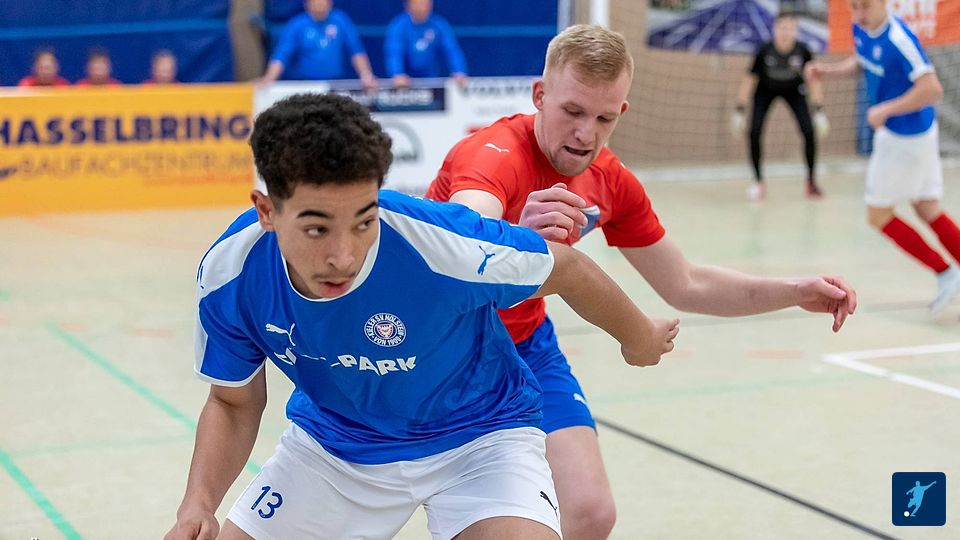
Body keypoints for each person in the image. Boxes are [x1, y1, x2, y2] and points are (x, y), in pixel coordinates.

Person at [164, 92, 681, 540]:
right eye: (317, 228)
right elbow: (232, 403)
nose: (344, 255)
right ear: (267, 210)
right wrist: (198, 502)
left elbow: (567, 267)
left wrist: (639, 337)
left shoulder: (437, 243)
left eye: (363, 221)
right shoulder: (230, 274)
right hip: (336, 449)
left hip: (480, 440)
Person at [426, 24, 857, 540]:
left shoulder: (609, 179)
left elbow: (686, 283)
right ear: (540, 96)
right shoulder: (492, 155)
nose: (585, 134)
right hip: (438, 348)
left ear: (621, 113)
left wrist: (795, 291)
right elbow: (460, 252)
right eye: (573, 111)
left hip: (526, 346)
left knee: (591, 513)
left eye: (604, 118)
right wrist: (514, 241)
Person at [809, 0, 960, 314]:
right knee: (927, 207)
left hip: (905, 138)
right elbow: (863, 60)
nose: (859, 15)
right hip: (916, 133)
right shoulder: (862, 28)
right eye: (854, 8)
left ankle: (946, 272)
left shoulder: (899, 40)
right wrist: (829, 72)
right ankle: (949, 273)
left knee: (878, 215)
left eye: (864, 7)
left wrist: (886, 109)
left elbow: (932, 89)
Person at [731, 11, 829, 201]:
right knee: (754, 131)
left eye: (789, 28)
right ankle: (758, 181)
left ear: (795, 30)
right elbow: (750, 79)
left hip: (794, 90)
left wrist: (819, 111)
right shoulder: (764, 50)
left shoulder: (803, 51)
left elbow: (813, 81)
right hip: (765, 91)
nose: (785, 32)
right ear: (774, 29)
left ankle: (811, 182)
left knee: (809, 131)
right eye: (782, 28)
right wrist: (739, 110)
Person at [258, 0, 377, 90]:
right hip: (306, 84)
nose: (320, 5)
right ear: (307, 4)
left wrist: (366, 75)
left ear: (330, 3)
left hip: (335, 83)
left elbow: (356, 51)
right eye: (316, 2)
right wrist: (269, 78)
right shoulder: (297, 25)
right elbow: (281, 55)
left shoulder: (340, 20)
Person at [384, 0, 467, 88]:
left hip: (431, 79)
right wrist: (397, 73)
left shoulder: (439, 25)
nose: (423, 7)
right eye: (419, 4)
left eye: (426, 4)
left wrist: (459, 71)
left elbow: (452, 51)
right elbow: (394, 53)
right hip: (406, 82)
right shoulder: (398, 26)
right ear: (408, 6)